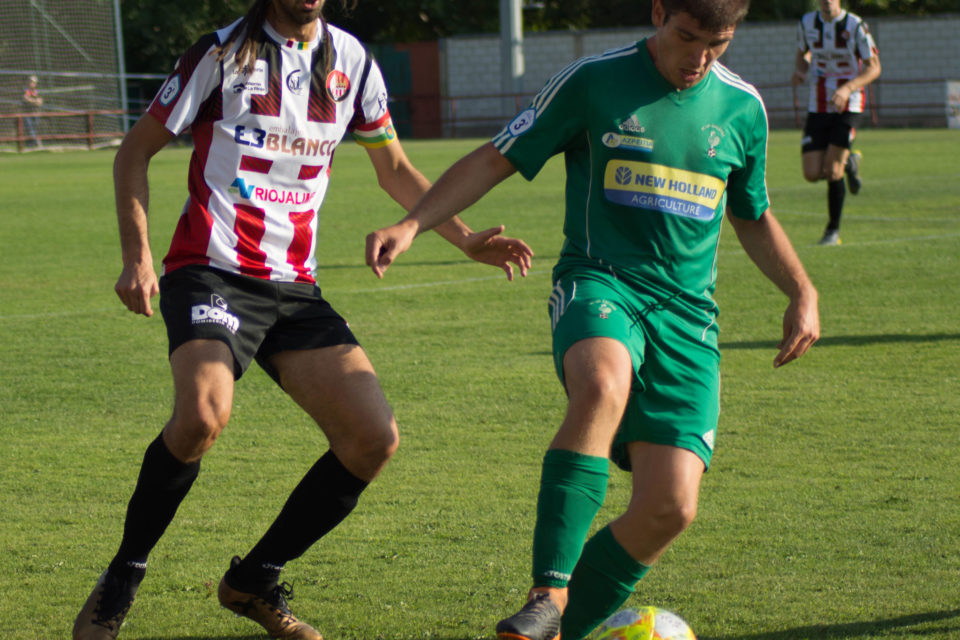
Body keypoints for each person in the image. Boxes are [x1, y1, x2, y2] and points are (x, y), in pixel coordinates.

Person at [72, 1, 532, 639]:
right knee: (202, 416)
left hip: (294, 286)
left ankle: (254, 580)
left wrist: (463, 238)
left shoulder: (353, 61)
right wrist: (137, 256)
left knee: (373, 438)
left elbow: (395, 168)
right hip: (211, 269)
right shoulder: (220, 54)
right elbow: (134, 152)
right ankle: (124, 573)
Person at [365, 1, 820, 639]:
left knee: (670, 507)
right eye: (687, 36)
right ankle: (547, 593)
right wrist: (415, 223)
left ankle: (560, 632)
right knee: (603, 383)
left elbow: (751, 212)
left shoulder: (743, 107)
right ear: (659, 11)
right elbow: (496, 157)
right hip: (599, 282)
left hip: (688, 317)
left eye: (716, 44)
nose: (698, 58)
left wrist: (800, 289)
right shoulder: (594, 81)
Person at [791, 0, 880, 246]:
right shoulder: (807, 23)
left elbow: (874, 68)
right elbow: (802, 55)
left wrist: (848, 88)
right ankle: (850, 162)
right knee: (811, 173)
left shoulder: (855, 25)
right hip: (818, 104)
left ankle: (832, 231)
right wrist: (800, 71)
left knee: (832, 170)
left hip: (849, 104)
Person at [22, 75, 43, 148]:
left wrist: (31, 100)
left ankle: (31, 144)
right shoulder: (25, 90)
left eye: (33, 82)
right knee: (29, 129)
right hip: (27, 113)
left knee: (34, 129)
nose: (32, 83)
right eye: (31, 82)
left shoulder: (37, 91)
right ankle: (36, 143)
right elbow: (25, 99)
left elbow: (40, 102)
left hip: (36, 113)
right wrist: (35, 101)